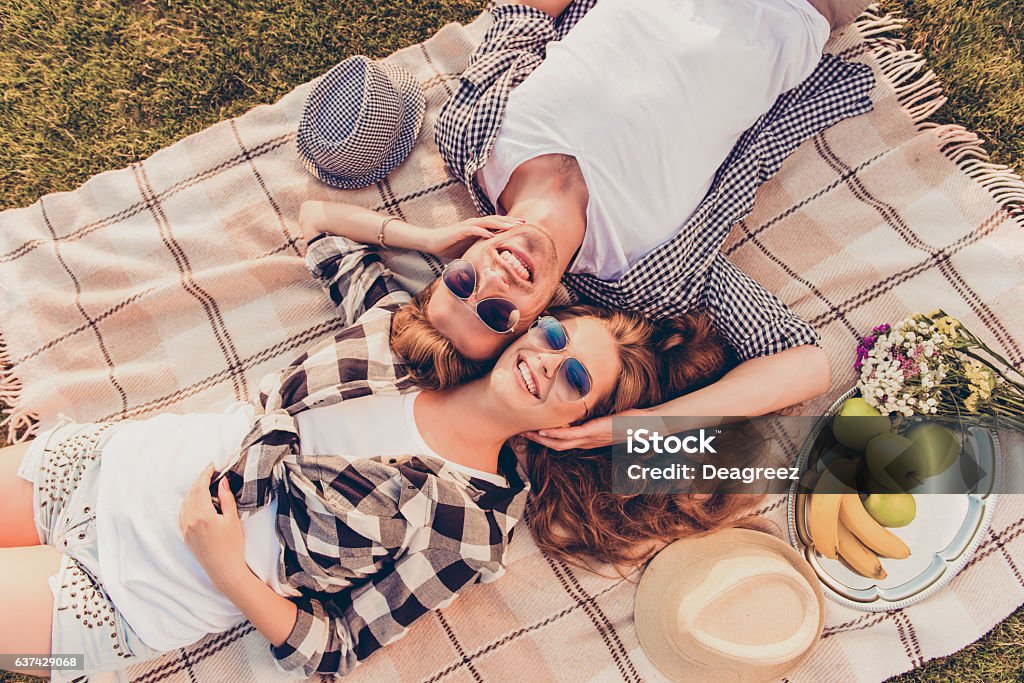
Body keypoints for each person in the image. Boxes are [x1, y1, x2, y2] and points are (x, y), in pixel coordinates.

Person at [0, 227, 739, 679]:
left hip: (132, 593)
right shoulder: (408, 335)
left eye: (575, 377)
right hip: (108, 464)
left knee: (23, 652)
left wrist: (228, 568)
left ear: (576, 422)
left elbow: (336, 648)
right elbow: (323, 233)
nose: (549, 361)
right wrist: (442, 242)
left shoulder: (471, 529)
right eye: (553, 337)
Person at [300, 0, 876, 452]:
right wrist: (644, 428)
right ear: (535, 321)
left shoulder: (472, 137)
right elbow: (808, 365)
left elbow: (316, 218)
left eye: (461, 285)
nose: (493, 284)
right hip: (798, 10)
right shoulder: (643, 275)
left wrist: (421, 238)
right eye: (497, 315)